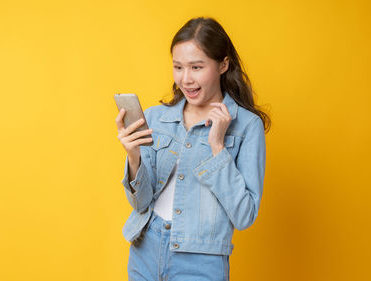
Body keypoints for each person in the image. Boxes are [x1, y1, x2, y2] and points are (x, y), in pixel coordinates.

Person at [115, 16, 270, 281]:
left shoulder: (247, 126)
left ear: (223, 65)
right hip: (145, 248)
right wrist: (134, 158)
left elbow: (244, 215)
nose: (185, 79)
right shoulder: (154, 118)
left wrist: (218, 147)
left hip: (201, 259)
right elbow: (140, 203)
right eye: (178, 67)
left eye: (196, 67)